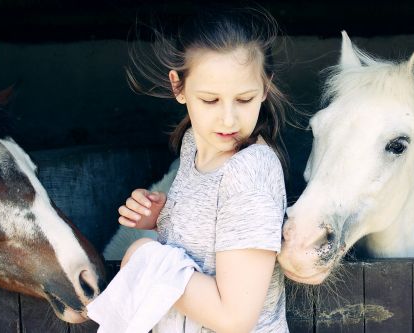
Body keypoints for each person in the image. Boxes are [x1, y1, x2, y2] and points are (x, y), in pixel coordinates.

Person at [117, 7, 291, 332]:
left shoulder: (250, 171)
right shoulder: (192, 147)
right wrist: (162, 220)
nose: (228, 119)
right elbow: (205, 252)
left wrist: (146, 257)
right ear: (178, 87)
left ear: (265, 87)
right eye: (210, 100)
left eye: (244, 99)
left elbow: (235, 318)